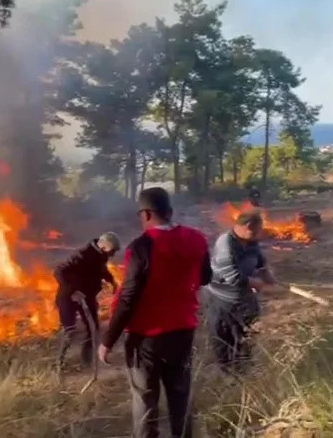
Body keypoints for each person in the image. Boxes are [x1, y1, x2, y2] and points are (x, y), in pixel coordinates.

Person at [99, 187, 212, 438]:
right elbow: (205, 277)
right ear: (170, 211)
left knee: (145, 400)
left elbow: (128, 297)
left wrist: (107, 341)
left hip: (146, 338)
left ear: (146, 214)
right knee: (179, 396)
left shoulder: (141, 246)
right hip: (183, 331)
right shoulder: (197, 238)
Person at [203, 210, 283, 374]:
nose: (259, 234)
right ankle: (226, 373)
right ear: (247, 227)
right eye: (258, 230)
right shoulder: (225, 243)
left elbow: (260, 264)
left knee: (247, 334)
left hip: (245, 297)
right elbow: (233, 277)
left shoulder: (251, 241)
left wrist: (270, 278)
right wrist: (259, 284)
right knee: (223, 336)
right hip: (221, 298)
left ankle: (243, 369)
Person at [54, 232, 120, 369]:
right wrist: (73, 291)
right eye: (112, 251)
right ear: (103, 247)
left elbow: (101, 269)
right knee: (69, 330)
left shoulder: (101, 256)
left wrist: (112, 281)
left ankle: (86, 363)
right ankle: (58, 363)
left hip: (87, 296)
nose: (112, 255)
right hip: (68, 296)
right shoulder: (82, 255)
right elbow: (59, 271)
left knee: (93, 328)